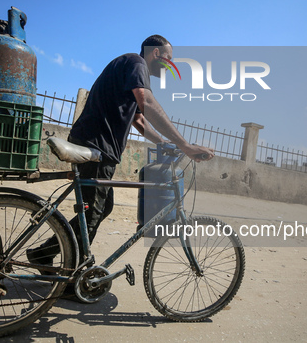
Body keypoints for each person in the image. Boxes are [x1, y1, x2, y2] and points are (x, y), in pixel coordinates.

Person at [27, 35, 214, 287]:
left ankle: (45, 253)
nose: (170, 67)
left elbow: (138, 119)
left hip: (98, 146)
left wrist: (162, 143)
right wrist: (185, 145)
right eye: (168, 60)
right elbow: (146, 102)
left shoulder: (130, 67)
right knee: (92, 212)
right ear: (156, 54)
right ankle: (73, 278)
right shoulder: (137, 64)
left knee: (102, 208)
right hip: (95, 145)